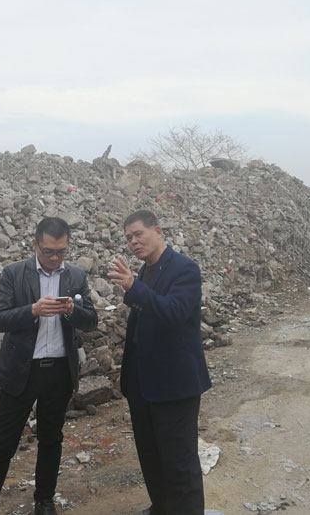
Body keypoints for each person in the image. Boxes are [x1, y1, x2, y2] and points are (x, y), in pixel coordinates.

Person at [0, 217, 98, 515]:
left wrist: (72, 311)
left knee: (51, 438)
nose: (55, 258)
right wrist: (32, 310)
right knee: (4, 443)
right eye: (48, 252)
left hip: (59, 371)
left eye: (61, 252)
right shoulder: (14, 273)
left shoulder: (76, 275)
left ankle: (44, 500)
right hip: (21, 370)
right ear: (35, 245)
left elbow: (91, 321)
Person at [108, 209, 212, 515]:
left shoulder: (184, 268)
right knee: (151, 455)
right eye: (128, 237)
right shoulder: (145, 271)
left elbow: (174, 312)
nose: (133, 242)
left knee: (179, 460)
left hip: (174, 383)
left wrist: (133, 288)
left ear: (158, 231)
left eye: (138, 234)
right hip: (143, 382)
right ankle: (162, 508)